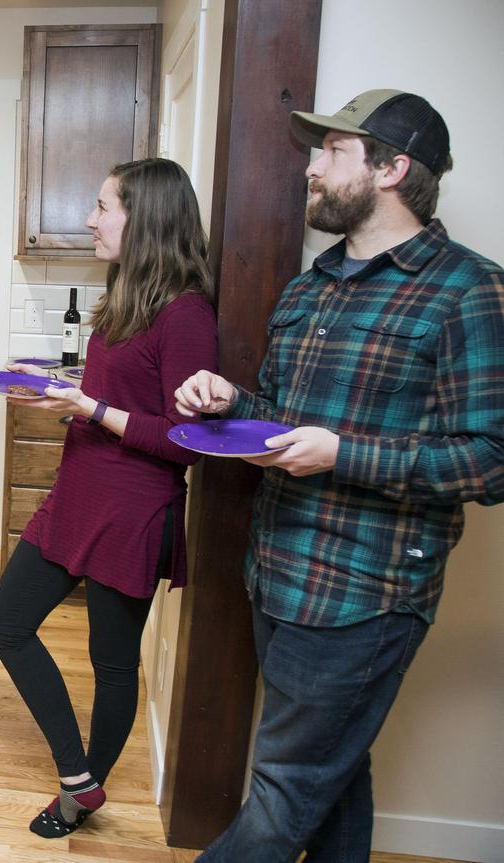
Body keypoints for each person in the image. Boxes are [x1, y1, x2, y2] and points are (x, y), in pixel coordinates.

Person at [174, 90, 504, 861]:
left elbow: (490, 457)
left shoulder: (467, 291)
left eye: (331, 153)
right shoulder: (310, 286)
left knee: (282, 797)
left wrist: (342, 453)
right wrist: (230, 401)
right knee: (334, 777)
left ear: (392, 168)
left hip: (366, 595)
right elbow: (287, 418)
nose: (310, 171)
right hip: (278, 574)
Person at [0, 158, 218, 837]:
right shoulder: (124, 297)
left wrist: (89, 405)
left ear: (144, 219)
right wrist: (56, 391)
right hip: (80, 491)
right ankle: (79, 775)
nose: (90, 219)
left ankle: (77, 795)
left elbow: (187, 441)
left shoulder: (186, 315)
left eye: (102, 206)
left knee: (112, 663)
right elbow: (117, 397)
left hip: (134, 509)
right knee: (6, 621)